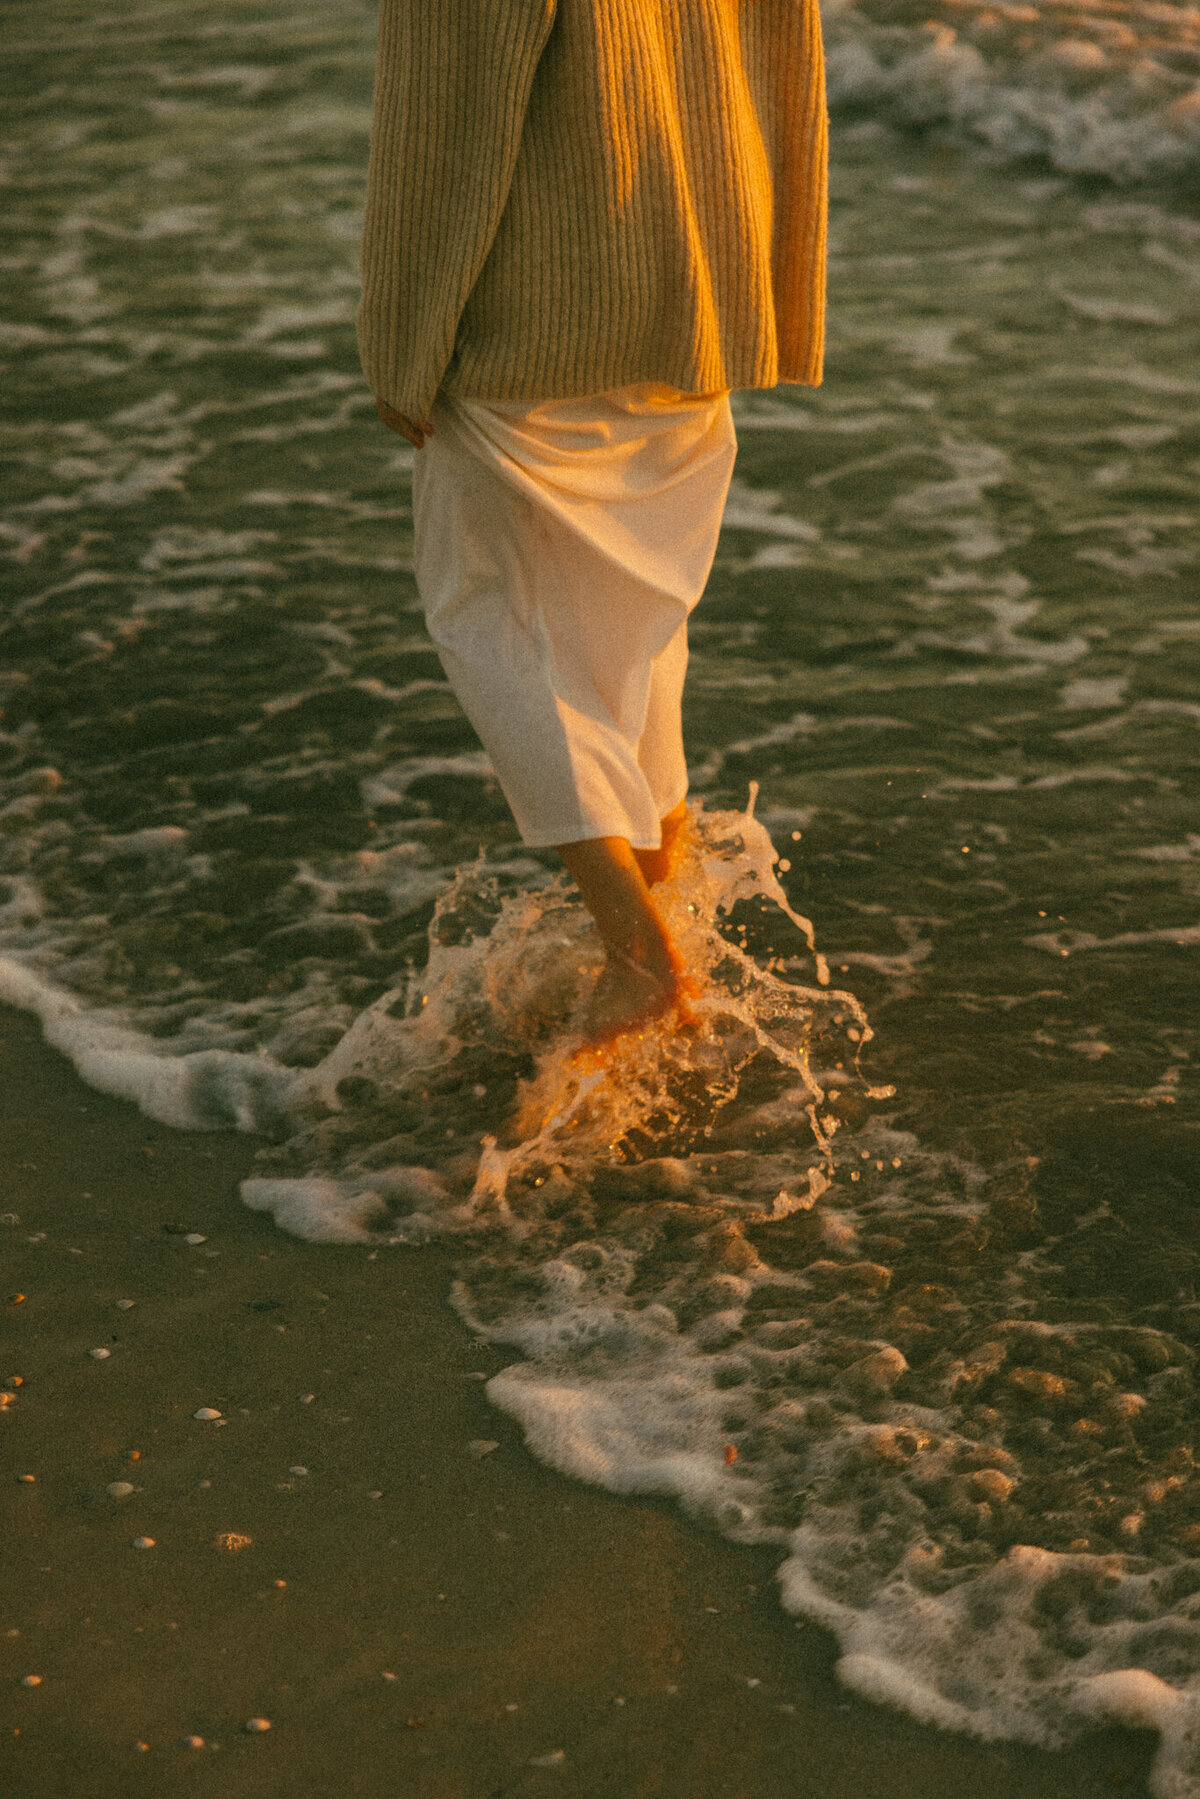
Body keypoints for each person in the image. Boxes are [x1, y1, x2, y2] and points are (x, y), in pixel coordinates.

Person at [358, 0, 828, 1041]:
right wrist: (771, 280)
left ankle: (635, 954)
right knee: (635, 625)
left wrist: (399, 336)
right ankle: (659, 940)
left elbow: (448, 121)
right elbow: (778, 48)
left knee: (491, 618)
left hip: (536, 303)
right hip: (702, 277)